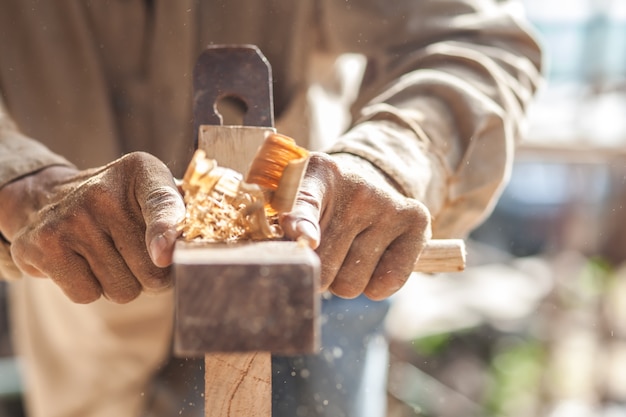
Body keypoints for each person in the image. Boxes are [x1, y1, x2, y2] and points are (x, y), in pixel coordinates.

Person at [0, 1, 543, 416]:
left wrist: (390, 160)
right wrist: (25, 185)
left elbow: (476, 36)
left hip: (322, 267)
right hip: (85, 302)